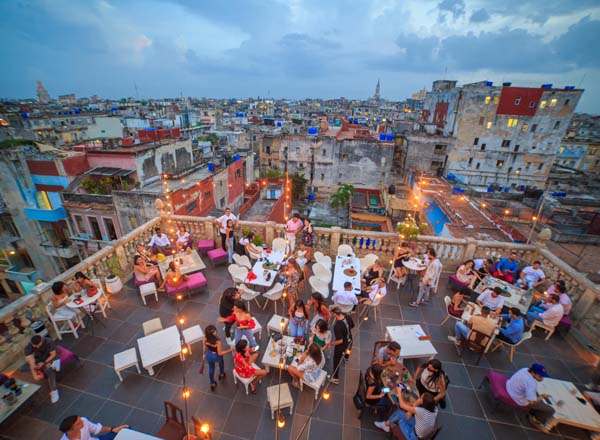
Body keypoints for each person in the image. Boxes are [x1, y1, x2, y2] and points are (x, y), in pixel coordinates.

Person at [506, 364, 555, 431]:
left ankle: (534, 411)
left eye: (543, 376)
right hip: (517, 398)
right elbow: (532, 402)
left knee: (536, 394)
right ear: (533, 372)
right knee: (551, 410)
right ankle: (536, 420)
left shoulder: (525, 369)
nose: (542, 379)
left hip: (509, 386)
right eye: (540, 376)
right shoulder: (531, 383)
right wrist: (542, 396)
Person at [374, 392, 438, 438]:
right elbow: (414, 409)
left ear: (425, 404)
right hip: (423, 430)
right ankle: (386, 425)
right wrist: (411, 412)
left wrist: (399, 392)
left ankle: (386, 425)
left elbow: (402, 405)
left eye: (421, 398)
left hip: (413, 435)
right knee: (400, 413)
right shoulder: (435, 409)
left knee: (400, 418)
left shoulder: (421, 411)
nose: (419, 399)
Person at [25, 335, 60, 403]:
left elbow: (53, 354)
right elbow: (28, 358)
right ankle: (36, 375)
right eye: (35, 345)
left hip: (50, 357)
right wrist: (34, 366)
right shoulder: (30, 345)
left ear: (41, 341)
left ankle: (54, 391)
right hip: (40, 358)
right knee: (29, 360)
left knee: (49, 370)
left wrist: (44, 363)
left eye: (38, 345)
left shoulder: (49, 341)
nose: (36, 347)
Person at [203, 325, 232, 391]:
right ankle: (222, 374)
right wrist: (229, 350)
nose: (216, 331)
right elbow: (220, 353)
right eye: (214, 331)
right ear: (212, 333)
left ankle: (212, 383)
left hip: (209, 354)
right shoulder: (217, 341)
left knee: (211, 368)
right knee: (221, 363)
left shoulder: (204, 338)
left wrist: (204, 354)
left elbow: (204, 347)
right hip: (216, 356)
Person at [330, 307, 354, 384]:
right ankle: (346, 358)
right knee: (348, 350)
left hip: (342, 345)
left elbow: (340, 341)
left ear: (334, 314)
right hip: (350, 339)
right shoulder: (348, 316)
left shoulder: (337, 326)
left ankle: (335, 377)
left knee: (336, 360)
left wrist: (330, 344)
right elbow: (352, 326)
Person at [59, 415, 128, 440]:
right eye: (78, 423)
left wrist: (112, 429)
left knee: (125, 430)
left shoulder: (83, 421)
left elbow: (97, 428)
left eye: (80, 420)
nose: (82, 422)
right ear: (70, 430)